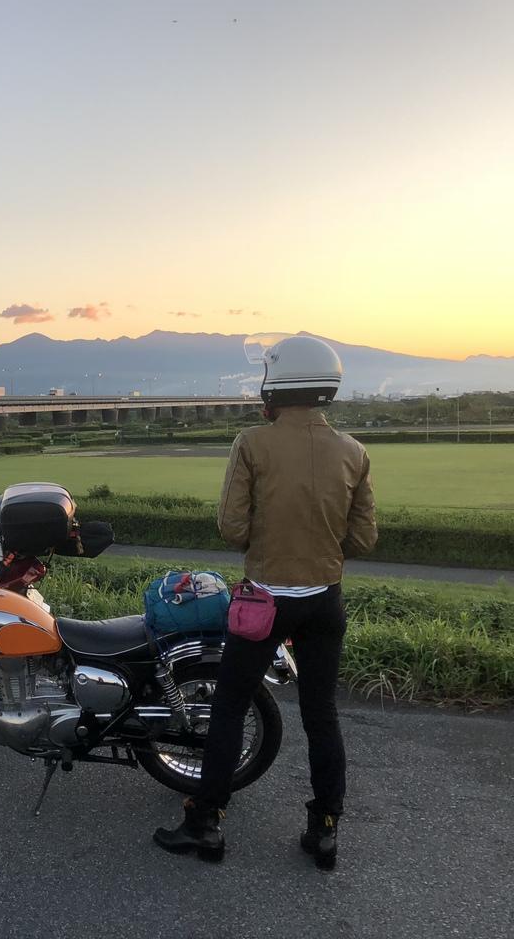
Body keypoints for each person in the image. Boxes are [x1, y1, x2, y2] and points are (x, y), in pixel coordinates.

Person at [153, 334, 377, 869]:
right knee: (321, 713)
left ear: (276, 382)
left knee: (230, 706)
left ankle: (205, 824)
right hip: (325, 600)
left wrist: (269, 543)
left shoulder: (252, 443)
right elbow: (364, 539)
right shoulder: (354, 451)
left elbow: (232, 528)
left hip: (264, 603)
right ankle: (325, 829)